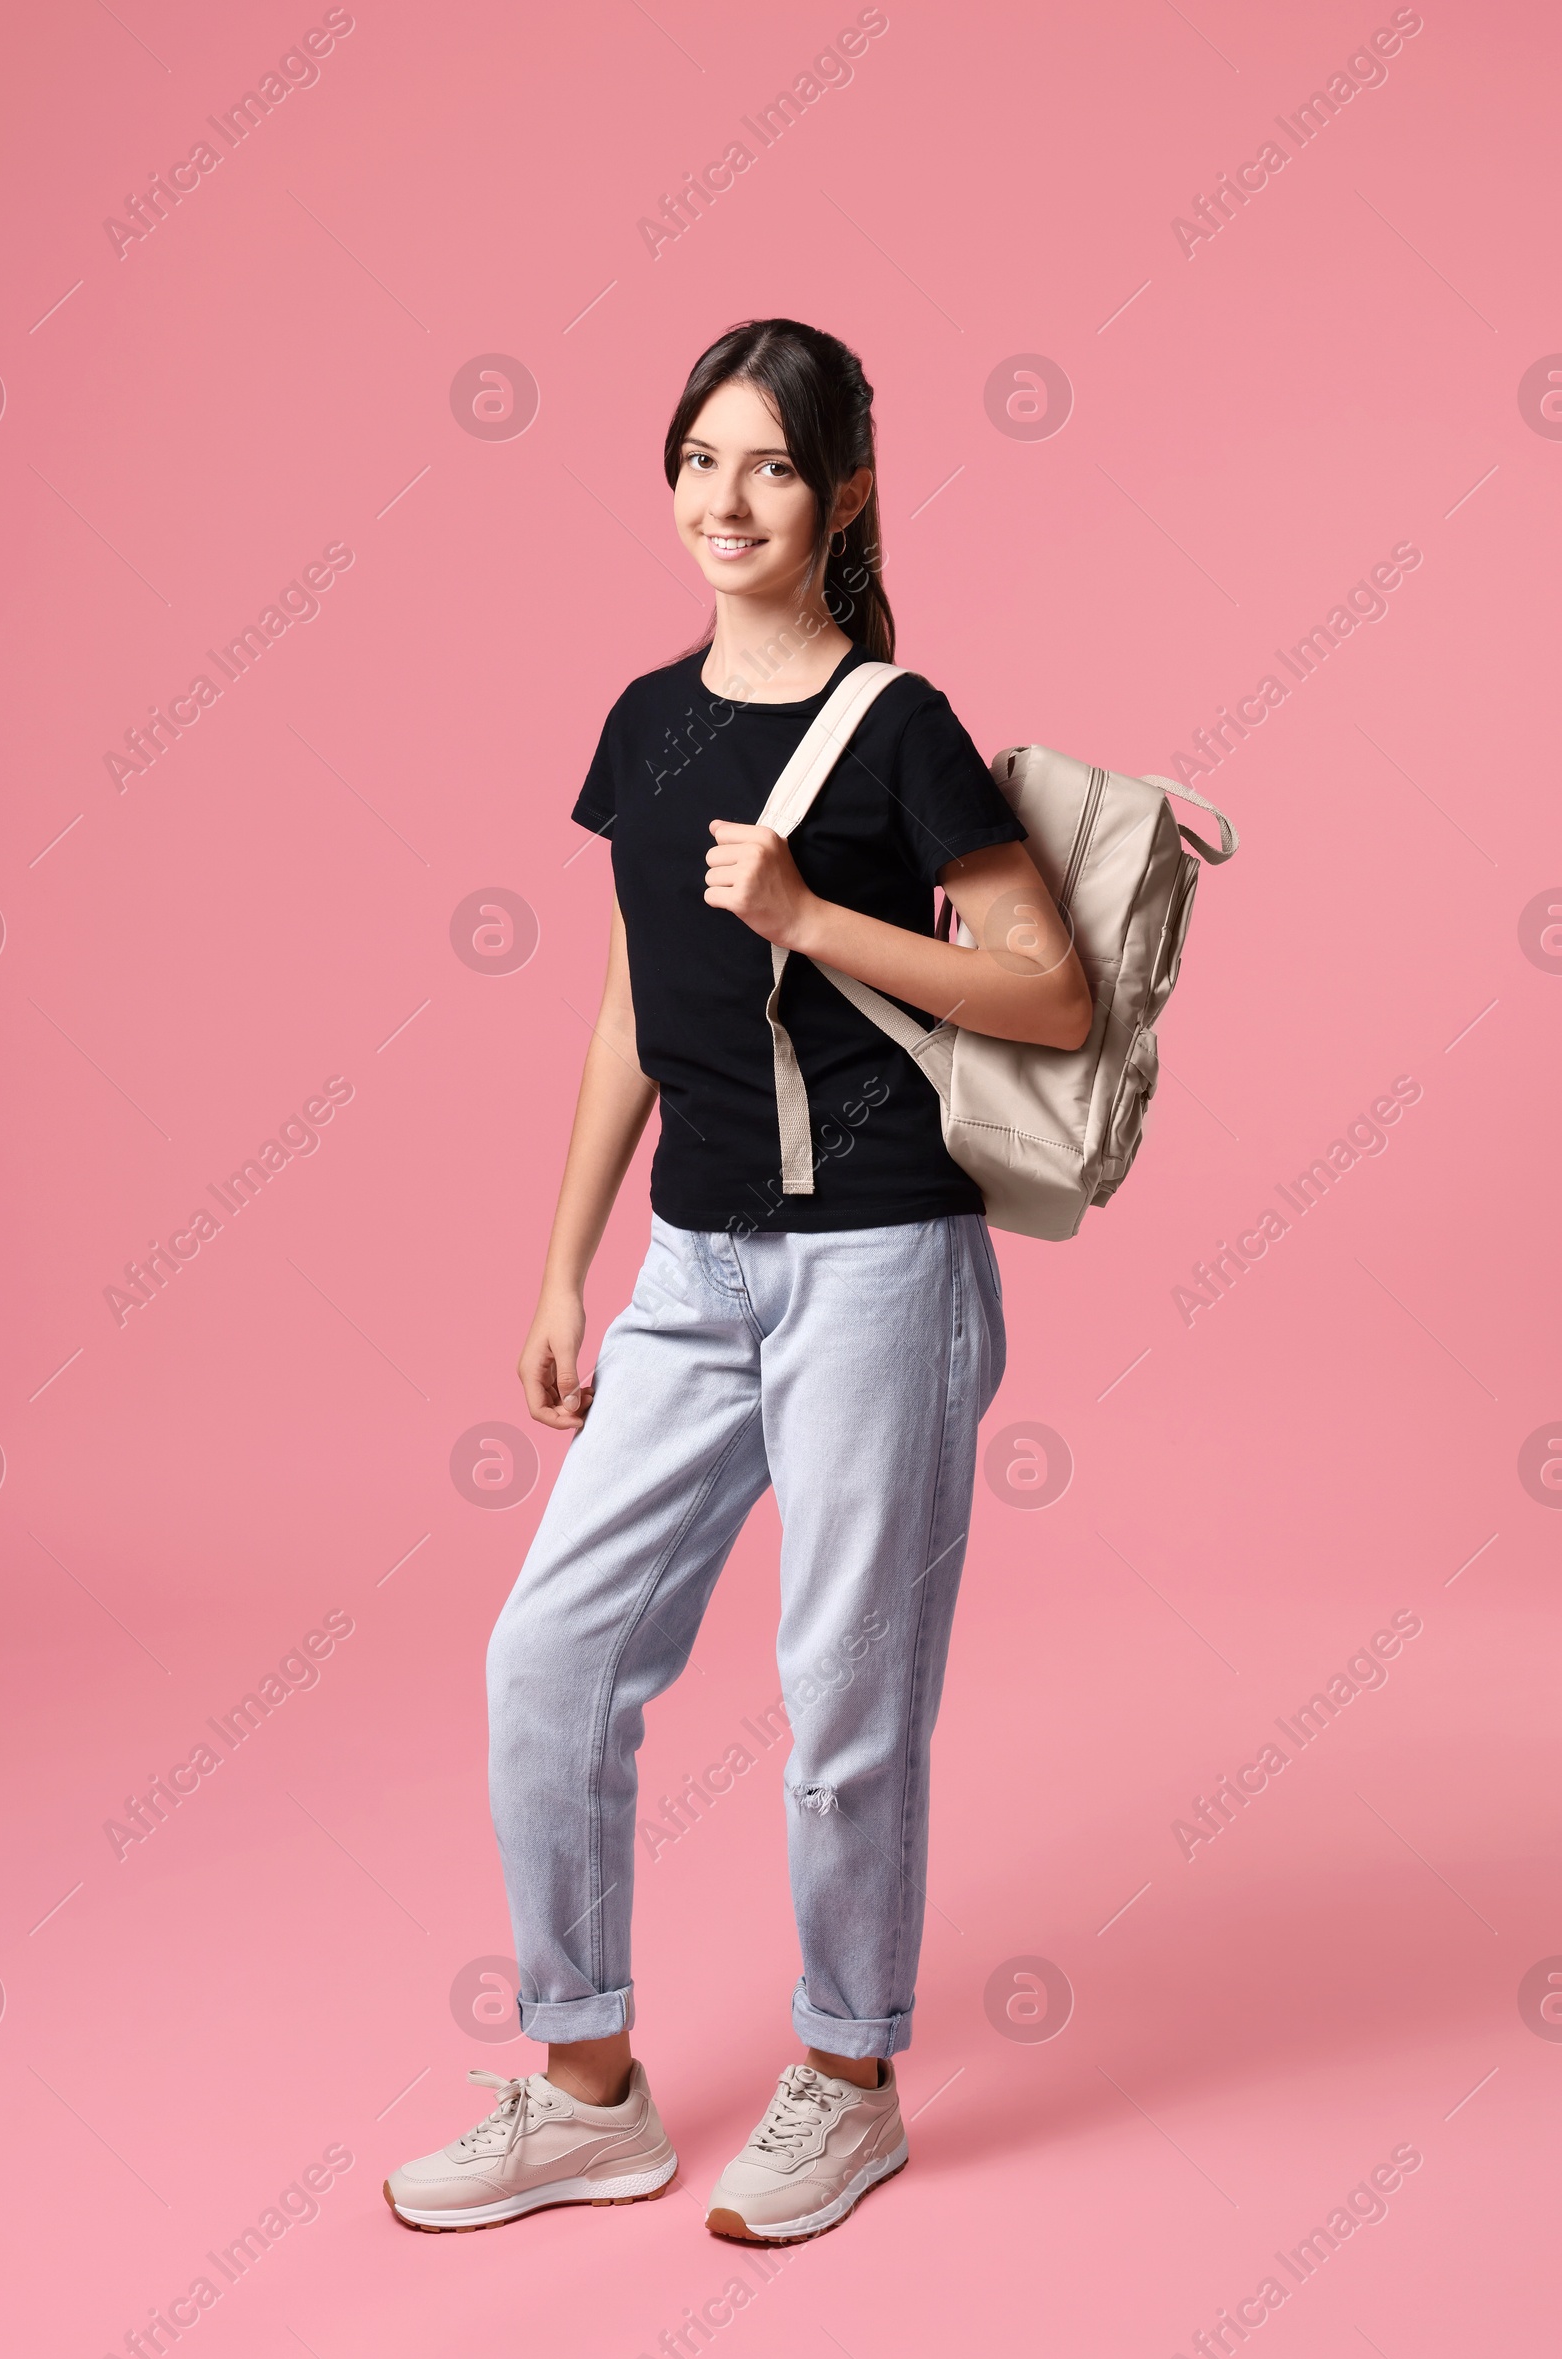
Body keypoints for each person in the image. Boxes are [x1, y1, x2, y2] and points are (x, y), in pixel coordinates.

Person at [384, 318, 1091, 2245]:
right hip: (692, 1272)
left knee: (845, 1696)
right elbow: (635, 994)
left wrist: (811, 913)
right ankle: (588, 2090)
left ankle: (847, 2078)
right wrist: (565, 1264)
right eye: (700, 458)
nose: (726, 499)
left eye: (771, 465)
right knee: (552, 1655)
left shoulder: (902, 723)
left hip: (881, 1266)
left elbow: (1050, 987)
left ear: (843, 492)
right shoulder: (644, 719)